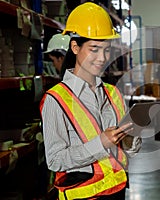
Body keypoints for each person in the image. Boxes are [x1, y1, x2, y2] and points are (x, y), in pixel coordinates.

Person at [39, 2, 142, 200]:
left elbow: (129, 150)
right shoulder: (56, 99)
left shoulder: (113, 94)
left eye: (106, 50)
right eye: (94, 49)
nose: (102, 58)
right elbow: (55, 160)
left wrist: (131, 139)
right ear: (75, 47)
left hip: (118, 193)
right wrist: (100, 143)